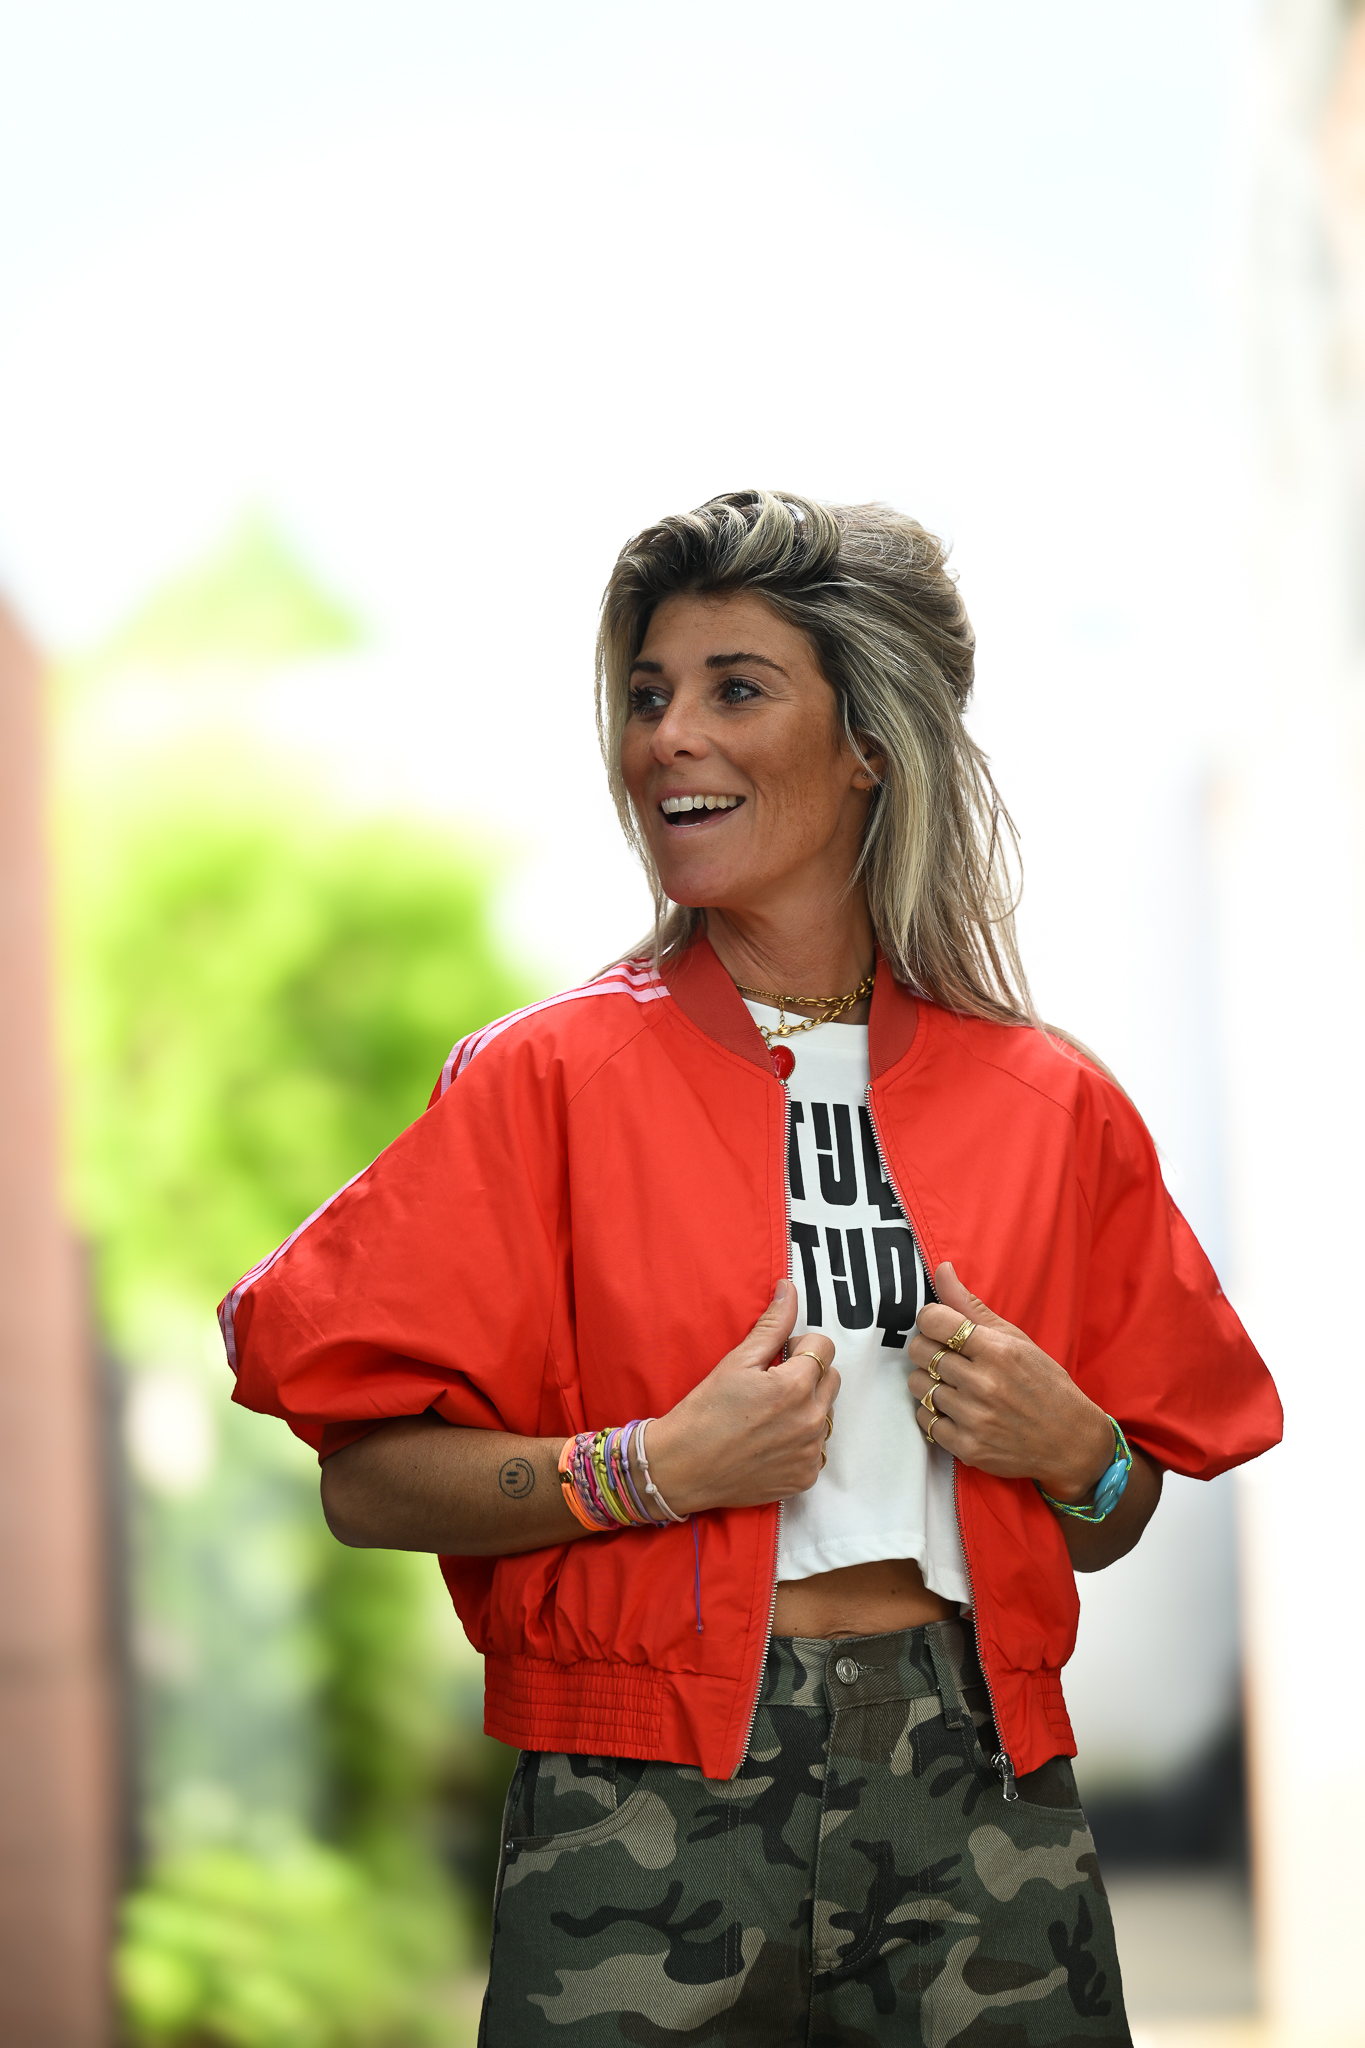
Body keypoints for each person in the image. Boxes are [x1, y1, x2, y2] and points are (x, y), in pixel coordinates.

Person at [221, 490, 1282, 2045]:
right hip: (639, 1802)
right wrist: (648, 1469)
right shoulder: (545, 1084)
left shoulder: (1050, 1103)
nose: (669, 737)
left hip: (980, 1789)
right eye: (647, 694)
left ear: (867, 744)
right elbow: (367, 1483)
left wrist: (1081, 1454)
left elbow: (1116, 1517)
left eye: (734, 688)